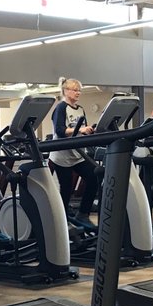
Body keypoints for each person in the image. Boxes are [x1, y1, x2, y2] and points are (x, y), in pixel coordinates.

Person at [49, 77, 97, 224]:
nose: (78, 93)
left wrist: (88, 130)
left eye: (79, 90)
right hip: (62, 156)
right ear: (66, 91)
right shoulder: (61, 108)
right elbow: (60, 130)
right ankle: (62, 222)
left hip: (78, 154)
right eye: (75, 90)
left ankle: (83, 214)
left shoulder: (80, 109)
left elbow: (82, 129)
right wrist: (80, 129)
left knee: (94, 177)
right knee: (66, 189)